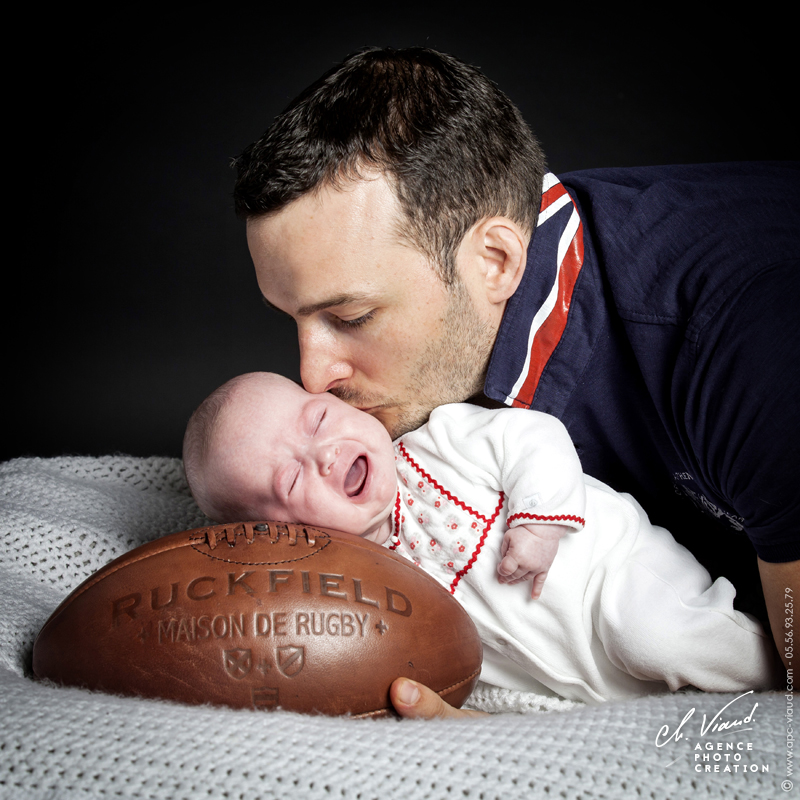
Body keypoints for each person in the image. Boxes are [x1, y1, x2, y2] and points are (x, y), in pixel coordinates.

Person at [232, 47, 799, 715]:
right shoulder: (456, 360)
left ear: (497, 260)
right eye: (294, 320)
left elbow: (784, 704)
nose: (311, 375)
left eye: (350, 315)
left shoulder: (745, 345)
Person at [183, 371, 779, 705]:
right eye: (289, 478)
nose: (323, 453)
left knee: (659, 637)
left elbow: (534, 437)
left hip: (612, 577)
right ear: (280, 536)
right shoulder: (358, 584)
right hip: (569, 683)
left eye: (316, 419)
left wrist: (539, 519)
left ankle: (779, 668)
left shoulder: (439, 441)